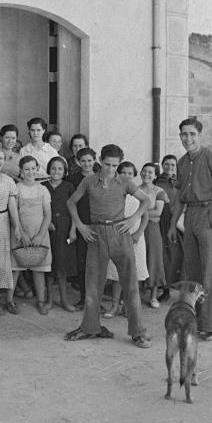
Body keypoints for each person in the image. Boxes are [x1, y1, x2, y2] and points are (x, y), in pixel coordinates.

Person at [65, 144, 152, 348]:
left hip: (120, 234)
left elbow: (146, 200)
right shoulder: (89, 181)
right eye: (107, 164)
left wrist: (133, 220)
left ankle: (138, 332)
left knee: (130, 285)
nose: (111, 169)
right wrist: (80, 226)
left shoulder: (124, 182)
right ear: (100, 162)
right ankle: (90, 327)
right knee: (93, 284)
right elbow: (71, 202)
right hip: (96, 234)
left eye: (115, 165)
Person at [168, 118, 212, 341]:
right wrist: (173, 225)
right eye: (184, 134)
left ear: (199, 135)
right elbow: (180, 199)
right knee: (192, 273)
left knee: (210, 272)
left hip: (209, 214)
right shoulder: (181, 162)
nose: (187, 139)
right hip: (190, 216)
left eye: (191, 134)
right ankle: (198, 321)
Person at [103, 161, 149, 318]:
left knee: (133, 274)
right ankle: (115, 305)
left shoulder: (139, 193)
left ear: (134, 175)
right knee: (117, 272)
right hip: (118, 238)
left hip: (135, 239)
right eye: (123, 172)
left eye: (130, 173)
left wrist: (138, 234)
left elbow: (145, 217)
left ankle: (129, 307)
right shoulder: (114, 191)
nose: (127, 176)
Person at [13, 155, 53, 314]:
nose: (30, 172)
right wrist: (21, 234)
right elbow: (14, 213)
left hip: (39, 233)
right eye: (26, 169)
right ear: (21, 171)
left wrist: (40, 235)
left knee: (39, 268)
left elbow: (48, 214)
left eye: (33, 168)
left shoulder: (43, 189)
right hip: (21, 233)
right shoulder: (17, 188)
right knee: (16, 268)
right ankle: (10, 300)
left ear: (37, 169)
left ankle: (41, 301)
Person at [0, 147, 22, 314]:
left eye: (1, 158)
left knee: (2, 260)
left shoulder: (8, 180)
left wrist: (17, 227)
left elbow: (12, 207)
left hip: (2, 222)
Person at [42, 157, 77, 311]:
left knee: (62, 265)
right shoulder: (43, 186)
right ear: (49, 169)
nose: (56, 171)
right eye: (53, 168)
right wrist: (46, 222)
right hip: (48, 228)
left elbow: (74, 210)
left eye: (60, 169)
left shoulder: (69, 186)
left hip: (65, 227)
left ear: (64, 171)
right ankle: (49, 299)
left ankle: (64, 299)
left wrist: (73, 229)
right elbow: (39, 209)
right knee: (49, 265)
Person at [68, 146, 97, 308]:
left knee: (97, 263)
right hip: (81, 223)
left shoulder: (101, 177)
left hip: (98, 223)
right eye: (83, 161)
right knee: (83, 262)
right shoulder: (73, 179)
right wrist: (76, 227)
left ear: (95, 160)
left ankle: (96, 300)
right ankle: (84, 298)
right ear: (78, 162)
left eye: (90, 161)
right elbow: (72, 205)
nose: (87, 164)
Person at [154, 154, 183, 299]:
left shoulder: (181, 183)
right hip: (162, 221)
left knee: (178, 255)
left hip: (178, 221)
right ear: (162, 165)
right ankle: (165, 289)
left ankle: (181, 287)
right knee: (164, 256)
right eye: (166, 164)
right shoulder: (156, 182)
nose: (169, 167)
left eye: (172, 165)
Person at [139, 162, 166, 309]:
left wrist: (138, 214)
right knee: (138, 259)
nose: (146, 175)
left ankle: (153, 296)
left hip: (152, 229)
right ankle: (134, 294)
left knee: (154, 260)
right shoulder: (135, 190)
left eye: (150, 172)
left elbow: (157, 212)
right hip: (138, 229)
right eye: (144, 171)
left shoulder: (159, 191)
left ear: (155, 175)